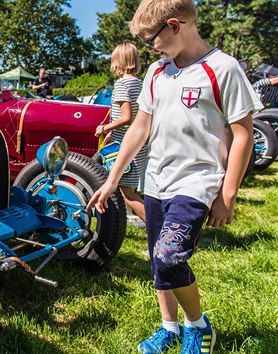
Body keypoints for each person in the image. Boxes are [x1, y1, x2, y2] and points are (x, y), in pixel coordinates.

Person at [86, 1, 263, 353]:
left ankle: (198, 327)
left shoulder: (222, 68)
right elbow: (140, 127)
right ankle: (169, 327)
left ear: (175, 25)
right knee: (157, 261)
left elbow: (242, 134)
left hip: (197, 183)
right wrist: (111, 181)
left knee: (169, 256)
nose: (151, 47)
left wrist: (228, 194)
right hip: (156, 182)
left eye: (152, 38)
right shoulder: (156, 72)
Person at [94, 43, 147, 223]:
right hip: (138, 143)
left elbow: (126, 117)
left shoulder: (122, 84)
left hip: (125, 145)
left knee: (127, 193)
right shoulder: (139, 83)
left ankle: (160, 229)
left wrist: (104, 128)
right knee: (128, 188)